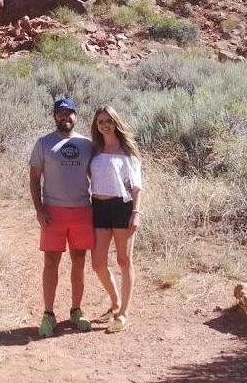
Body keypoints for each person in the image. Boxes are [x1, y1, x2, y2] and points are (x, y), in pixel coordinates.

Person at [29, 97, 95, 338]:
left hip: (82, 211)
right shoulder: (44, 144)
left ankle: (76, 311)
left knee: (79, 262)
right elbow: (34, 177)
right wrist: (39, 209)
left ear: (76, 116)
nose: (64, 117)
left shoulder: (87, 144)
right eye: (60, 113)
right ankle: (48, 314)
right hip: (53, 213)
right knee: (51, 263)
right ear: (54, 116)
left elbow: (95, 176)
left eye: (69, 113)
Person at [89, 105, 143, 334]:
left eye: (108, 120)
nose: (104, 125)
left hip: (122, 207)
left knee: (124, 260)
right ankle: (115, 302)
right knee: (98, 262)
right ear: (96, 125)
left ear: (115, 122)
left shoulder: (127, 151)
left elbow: (137, 187)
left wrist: (136, 212)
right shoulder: (95, 149)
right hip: (99, 207)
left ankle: (123, 314)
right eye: (100, 121)